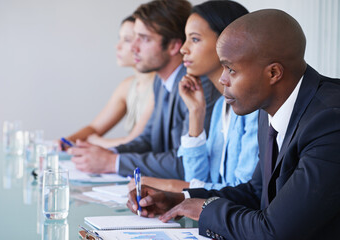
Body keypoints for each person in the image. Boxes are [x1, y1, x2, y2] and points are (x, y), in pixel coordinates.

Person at [127, 9, 340, 240]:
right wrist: (180, 199)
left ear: (273, 73)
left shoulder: (330, 120)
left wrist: (207, 210)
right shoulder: (270, 105)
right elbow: (256, 192)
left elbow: (275, 232)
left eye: (231, 69)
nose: (222, 79)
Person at [68, 0, 220, 178]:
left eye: (144, 39)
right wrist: (109, 153)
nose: (133, 48)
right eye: (134, 37)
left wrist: (112, 162)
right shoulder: (161, 81)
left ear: (173, 46)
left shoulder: (198, 86)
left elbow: (185, 161)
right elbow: (148, 140)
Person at [128, 0, 258, 193]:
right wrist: (196, 113)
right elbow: (197, 179)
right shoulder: (221, 106)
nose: (183, 49)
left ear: (229, 41)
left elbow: (243, 194)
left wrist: (171, 186)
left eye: (195, 39)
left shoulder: (254, 109)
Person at [62, 16, 155, 149]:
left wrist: (96, 141)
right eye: (120, 38)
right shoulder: (127, 86)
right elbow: (94, 127)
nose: (118, 46)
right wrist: (66, 141)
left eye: (127, 40)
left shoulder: (160, 87)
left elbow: (134, 142)